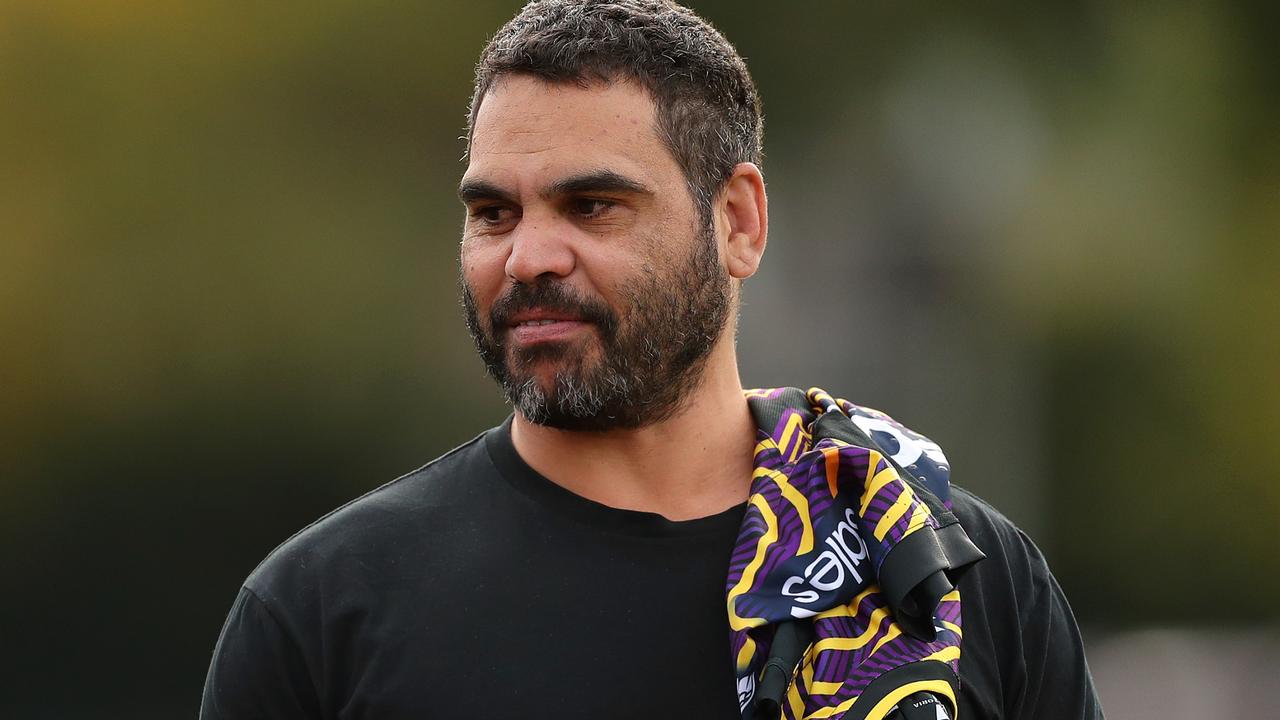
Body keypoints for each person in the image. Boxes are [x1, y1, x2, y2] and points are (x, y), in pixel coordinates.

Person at [201, 1, 1103, 718]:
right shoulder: (324, 617)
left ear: (738, 222)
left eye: (592, 206)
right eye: (493, 214)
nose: (528, 258)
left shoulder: (944, 570)